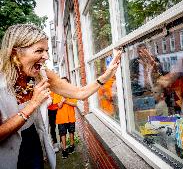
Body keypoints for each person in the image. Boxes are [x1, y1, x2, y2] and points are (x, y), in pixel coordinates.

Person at [0, 24, 121, 169]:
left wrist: (106, 75)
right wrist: (33, 104)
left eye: (46, 51)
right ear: (15, 53)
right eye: (39, 51)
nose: (46, 57)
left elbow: (80, 93)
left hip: (33, 144)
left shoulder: (43, 75)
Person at [54, 77, 77, 159]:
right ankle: (64, 149)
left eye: (65, 83)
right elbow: (59, 106)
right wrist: (62, 100)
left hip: (70, 116)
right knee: (62, 134)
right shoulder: (57, 93)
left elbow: (75, 104)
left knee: (71, 132)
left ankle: (72, 146)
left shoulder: (72, 92)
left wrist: (65, 101)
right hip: (61, 118)